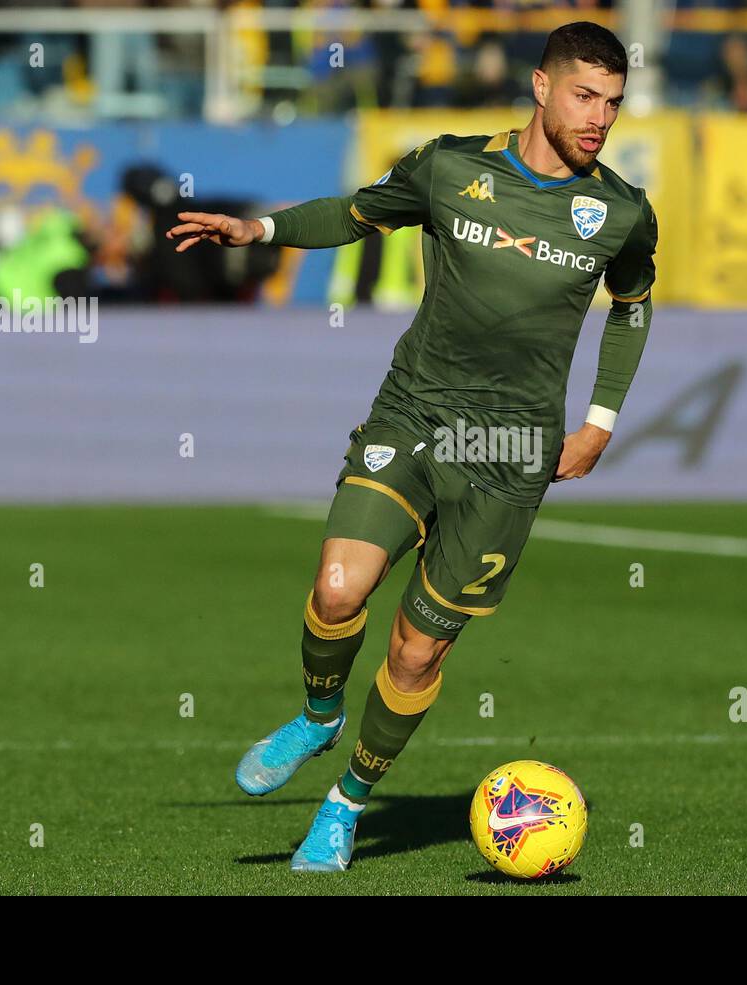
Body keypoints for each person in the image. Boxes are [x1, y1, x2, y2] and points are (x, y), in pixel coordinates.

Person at [166, 20, 658, 873]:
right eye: (585, 96)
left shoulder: (619, 211)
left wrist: (600, 421)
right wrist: (260, 233)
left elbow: (634, 305)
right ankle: (320, 714)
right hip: (415, 416)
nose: (599, 119)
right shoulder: (450, 166)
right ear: (541, 88)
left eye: (613, 103)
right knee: (337, 583)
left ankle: (347, 800)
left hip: (511, 452)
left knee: (417, 648)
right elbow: (355, 214)